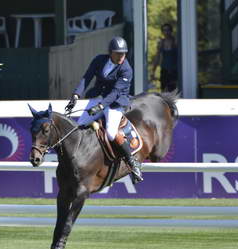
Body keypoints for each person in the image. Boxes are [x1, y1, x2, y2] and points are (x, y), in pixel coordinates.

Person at [65, 36, 143, 184]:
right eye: (118, 53)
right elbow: (86, 78)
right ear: (110, 53)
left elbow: (114, 93)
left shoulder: (126, 69)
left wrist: (100, 107)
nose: (121, 56)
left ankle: (132, 163)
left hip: (115, 102)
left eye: (124, 53)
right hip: (98, 97)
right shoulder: (99, 60)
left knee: (111, 133)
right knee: (79, 126)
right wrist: (76, 95)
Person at [151, 23, 178, 92]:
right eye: (164, 30)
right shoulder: (161, 43)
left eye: (168, 30)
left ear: (171, 31)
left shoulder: (175, 42)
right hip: (164, 70)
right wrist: (153, 71)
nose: (166, 32)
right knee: (164, 90)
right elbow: (157, 57)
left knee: (173, 91)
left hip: (174, 70)